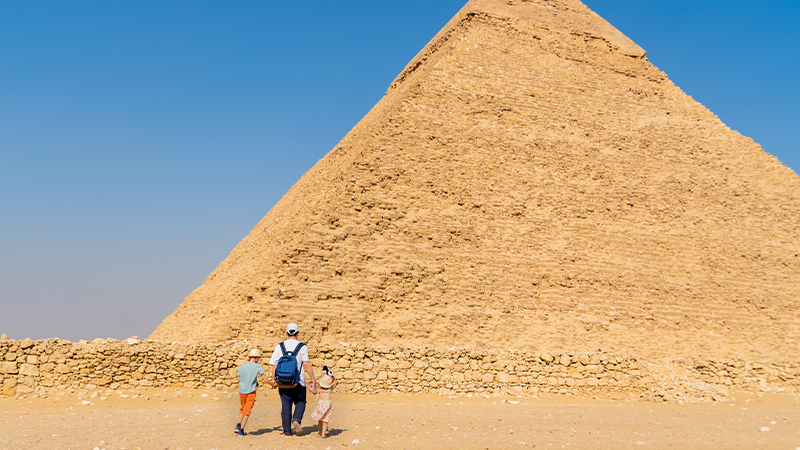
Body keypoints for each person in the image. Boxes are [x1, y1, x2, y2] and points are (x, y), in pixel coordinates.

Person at [269, 322, 317, 436]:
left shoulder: (279, 346)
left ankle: (287, 431)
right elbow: (306, 364)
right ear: (298, 333)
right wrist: (313, 378)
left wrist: (274, 379)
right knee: (300, 401)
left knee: (286, 405)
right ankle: (296, 420)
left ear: (286, 333)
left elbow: (274, 366)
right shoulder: (302, 346)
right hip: (298, 381)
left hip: (282, 381)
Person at [235, 348, 268, 436]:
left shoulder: (243, 365)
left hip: (241, 391)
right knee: (247, 411)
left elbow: (239, 378)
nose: (259, 360)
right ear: (256, 357)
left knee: (242, 408)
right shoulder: (257, 366)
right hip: (251, 392)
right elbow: (264, 379)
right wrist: (272, 383)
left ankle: (238, 425)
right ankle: (241, 430)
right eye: (259, 358)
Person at [308, 366, 337, 438]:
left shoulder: (320, 391)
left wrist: (313, 385)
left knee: (320, 420)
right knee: (325, 420)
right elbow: (335, 383)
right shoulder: (329, 390)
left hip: (320, 406)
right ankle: (324, 434)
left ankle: (320, 432)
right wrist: (332, 377)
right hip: (328, 406)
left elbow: (313, 391)